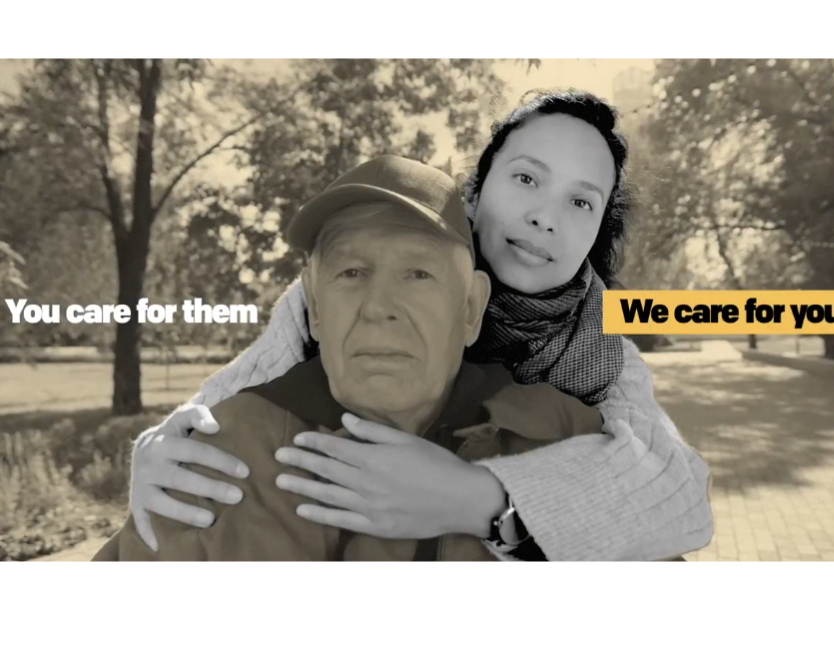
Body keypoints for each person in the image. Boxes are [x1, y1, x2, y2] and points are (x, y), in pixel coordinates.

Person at [126, 90, 712, 562]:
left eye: (581, 202)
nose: (544, 217)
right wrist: (160, 452)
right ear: (477, 190)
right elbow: (236, 400)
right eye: (528, 179)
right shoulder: (344, 291)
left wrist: (480, 502)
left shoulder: (601, 350)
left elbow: (676, 497)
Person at [93, 156, 608, 561]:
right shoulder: (218, 456)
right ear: (315, 308)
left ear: (470, 308)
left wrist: (505, 516)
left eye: (418, 274)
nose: (378, 307)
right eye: (351, 273)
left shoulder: (561, 433)